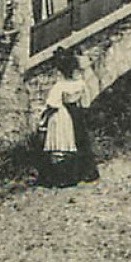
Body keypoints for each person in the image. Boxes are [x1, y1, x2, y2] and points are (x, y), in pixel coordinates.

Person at [37, 49, 97, 187]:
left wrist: (43, 120)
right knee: (80, 141)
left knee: (61, 142)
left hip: (63, 114)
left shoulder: (59, 86)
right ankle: (86, 173)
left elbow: (52, 104)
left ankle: (60, 177)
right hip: (77, 113)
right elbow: (86, 102)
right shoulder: (80, 84)